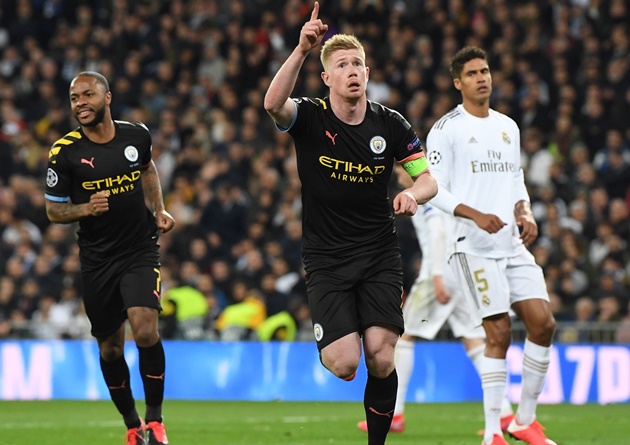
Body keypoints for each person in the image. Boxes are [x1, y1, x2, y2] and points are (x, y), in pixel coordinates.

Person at [263, 3, 437, 444]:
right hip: (326, 258)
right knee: (345, 364)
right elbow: (272, 104)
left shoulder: (390, 124)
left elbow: (429, 180)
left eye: (357, 63)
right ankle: (340, 330)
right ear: (327, 79)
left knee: (381, 356)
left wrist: (410, 194)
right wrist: (302, 49)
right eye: (342, 65)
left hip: (379, 254)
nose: (352, 70)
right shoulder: (310, 117)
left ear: (367, 71)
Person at [426, 46, 557, 445]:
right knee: (498, 333)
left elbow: (516, 178)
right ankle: (492, 434)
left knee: (543, 323)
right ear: (457, 82)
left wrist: (526, 211)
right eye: (472, 73)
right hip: (472, 244)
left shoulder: (508, 126)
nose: (482, 78)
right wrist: (475, 214)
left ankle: (524, 421)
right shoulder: (445, 129)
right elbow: (433, 190)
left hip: (511, 242)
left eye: (485, 71)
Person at [44, 71, 175, 445]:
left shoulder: (137, 135)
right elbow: (54, 212)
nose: (80, 103)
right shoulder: (64, 152)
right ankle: (132, 425)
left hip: (139, 249)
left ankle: (156, 421)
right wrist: (85, 209)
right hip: (97, 260)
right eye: (74, 98)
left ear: (107, 97)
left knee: (146, 328)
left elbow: (147, 169)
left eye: (87, 95)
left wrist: (159, 209)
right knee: (111, 347)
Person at [357, 199, 514, 435]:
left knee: (404, 337)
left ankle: (395, 413)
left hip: (437, 274)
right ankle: (504, 413)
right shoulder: (442, 188)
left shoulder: (426, 192)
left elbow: (438, 229)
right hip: (460, 269)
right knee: (473, 341)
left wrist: (437, 275)